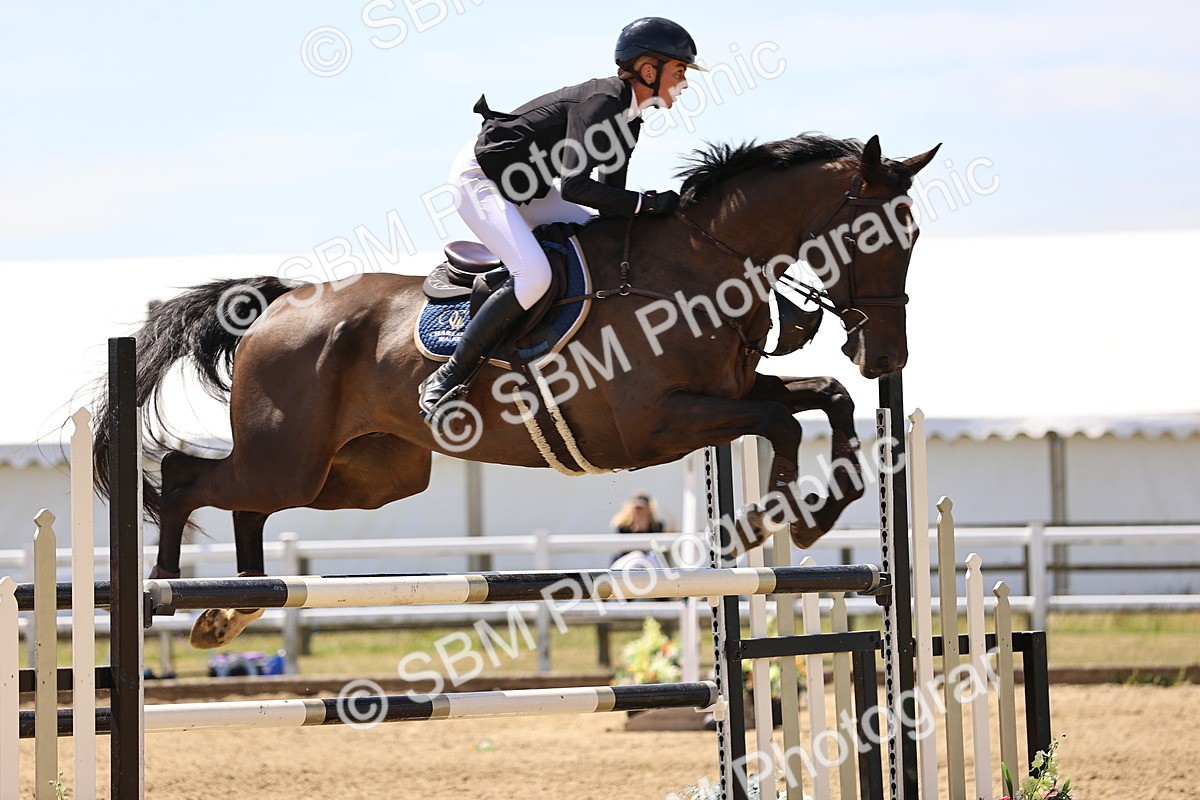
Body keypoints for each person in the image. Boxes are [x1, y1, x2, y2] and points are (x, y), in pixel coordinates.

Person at [418, 17, 706, 422]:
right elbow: (574, 186)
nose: (685, 83)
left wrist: (658, 214)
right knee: (534, 274)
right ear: (648, 70)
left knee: (596, 235)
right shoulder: (603, 102)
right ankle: (447, 377)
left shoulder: (630, 119)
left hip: (524, 186)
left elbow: (610, 207)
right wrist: (646, 203)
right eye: (679, 72)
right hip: (480, 179)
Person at [610, 491, 666, 568]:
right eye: (636, 508)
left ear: (649, 509)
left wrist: (643, 527)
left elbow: (655, 549)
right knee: (637, 555)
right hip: (626, 562)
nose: (638, 511)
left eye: (641, 508)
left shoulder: (657, 526)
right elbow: (625, 549)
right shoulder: (623, 526)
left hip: (649, 563)